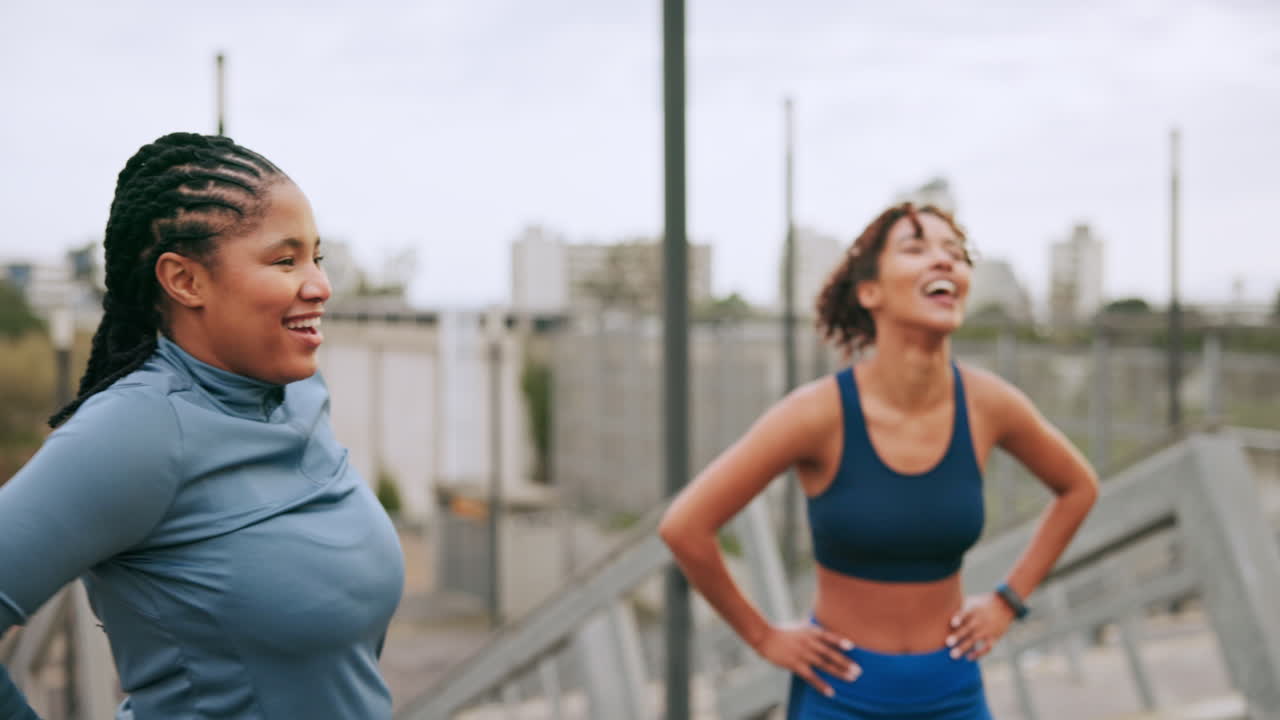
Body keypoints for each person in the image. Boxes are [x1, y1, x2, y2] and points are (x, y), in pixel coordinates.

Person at [0, 133, 405, 720]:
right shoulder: (139, 428)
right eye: (284, 259)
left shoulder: (298, 392)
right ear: (185, 281)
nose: (320, 284)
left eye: (317, 256)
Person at [659, 202, 1099, 719]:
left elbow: (1079, 488)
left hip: (954, 693)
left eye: (954, 254)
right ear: (870, 292)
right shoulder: (816, 414)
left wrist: (1008, 600)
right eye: (917, 248)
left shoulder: (989, 405)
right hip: (840, 694)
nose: (944, 261)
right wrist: (763, 637)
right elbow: (685, 526)